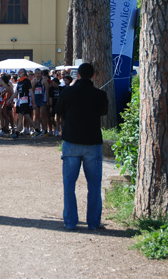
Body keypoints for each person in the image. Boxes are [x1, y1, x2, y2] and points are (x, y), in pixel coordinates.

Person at [56, 63, 108, 230]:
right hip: (92, 142)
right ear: (93, 76)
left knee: (69, 185)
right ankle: (93, 222)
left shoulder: (67, 92)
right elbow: (103, 112)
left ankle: (70, 222)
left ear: (77, 74)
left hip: (71, 140)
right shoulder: (100, 94)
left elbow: (59, 110)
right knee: (94, 185)